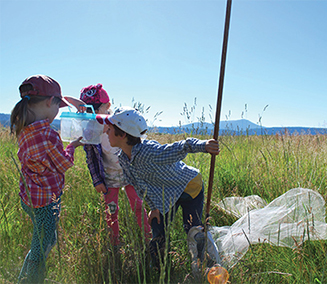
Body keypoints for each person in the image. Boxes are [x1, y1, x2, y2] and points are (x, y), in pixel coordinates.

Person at [95, 106, 221, 275]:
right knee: (157, 228)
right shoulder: (123, 158)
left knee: (193, 230)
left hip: (188, 186)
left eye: (109, 129)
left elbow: (179, 148)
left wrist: (204, 145)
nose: (106, 132)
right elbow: (140, 186)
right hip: (166, 194)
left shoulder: (149, 152)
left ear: (123, 134)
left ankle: (206, 267)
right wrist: (154, 207)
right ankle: (160, 269)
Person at [10, 74, 83, 284]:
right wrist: (72, 147)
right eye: (58, 108)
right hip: (45, 202)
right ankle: (31, 280)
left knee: (40, 241)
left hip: (29, 199)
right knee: (43, 246)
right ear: (51, 102)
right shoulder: (48, 134)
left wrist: (66, 99)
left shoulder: (23, 127)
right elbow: (64, 164)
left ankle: (25, 277)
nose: (56, 114)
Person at [79, 84, 151, 246]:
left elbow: (137, 145)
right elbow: (90, 157)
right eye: (89, 110)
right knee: (111, 211)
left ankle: (149, 238)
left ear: (108, 106)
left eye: (98, 108)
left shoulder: (120, 122)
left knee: (138, 206)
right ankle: (114, 243)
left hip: (129, 174)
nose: (94, 113)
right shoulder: (89, 131)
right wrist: (97, 180)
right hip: (109, 178)